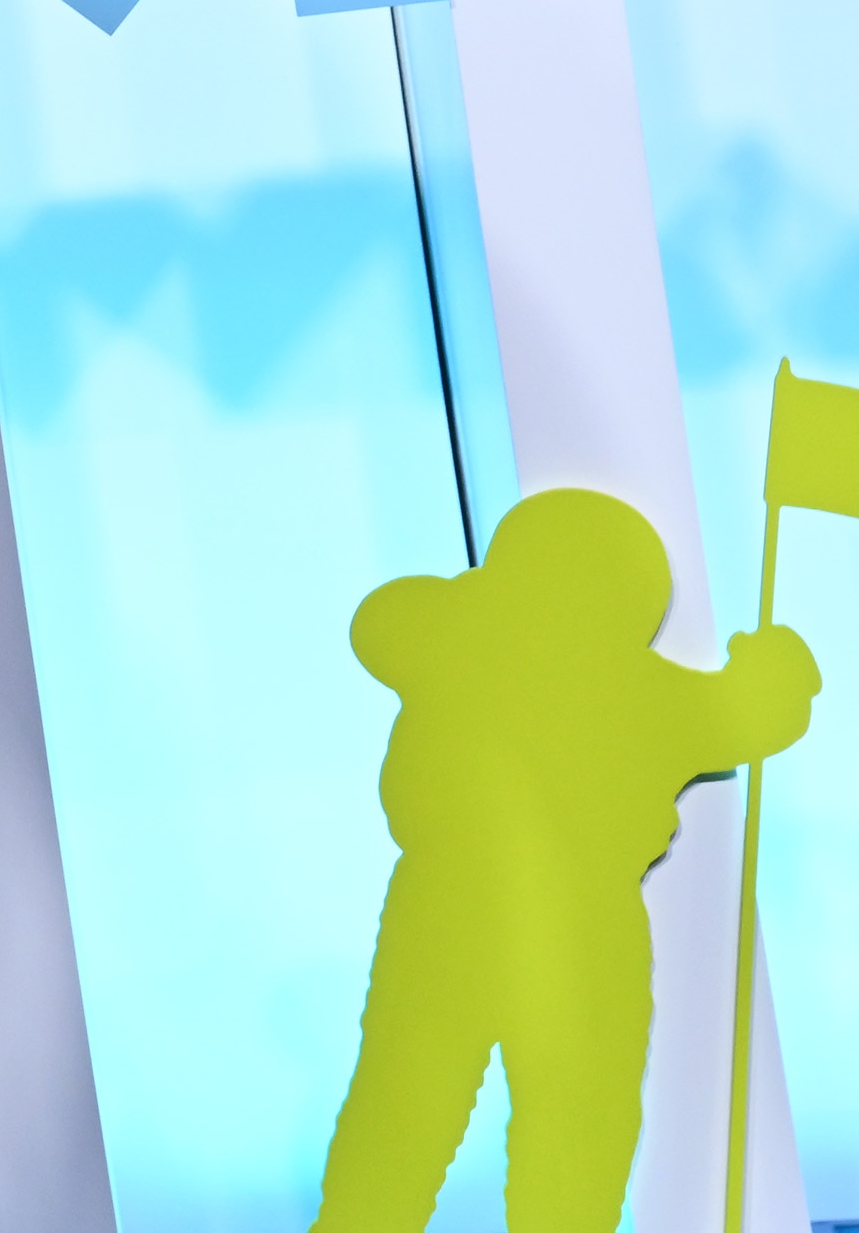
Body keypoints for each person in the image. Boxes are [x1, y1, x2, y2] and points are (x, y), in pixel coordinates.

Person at [311, 488, 816, 1232]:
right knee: (551, 1143)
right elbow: (757, 712)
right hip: (551, 924)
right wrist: (776, 666)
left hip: (471, 913)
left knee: (425, 1124)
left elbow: (382, 621)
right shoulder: (626, 683)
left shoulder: (457, 640)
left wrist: (775, 673)